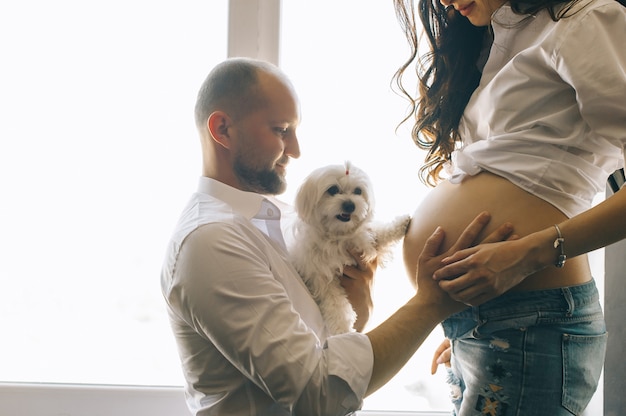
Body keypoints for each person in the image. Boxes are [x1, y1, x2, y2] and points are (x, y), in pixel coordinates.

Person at [160, 57, 514, 415]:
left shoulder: (281, 221)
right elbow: (316, 392)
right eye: (281, 130)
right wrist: (431, 302)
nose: (295, 150)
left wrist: (359, 309)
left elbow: (320, 345)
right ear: (222, 129)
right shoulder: (211, 241)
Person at [393, 0, 626, 414]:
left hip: (532, 324)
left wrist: (525, 255)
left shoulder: (586, 20)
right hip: (484, 324)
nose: (445, 2)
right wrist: (466, 318)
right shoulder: (489, 40)